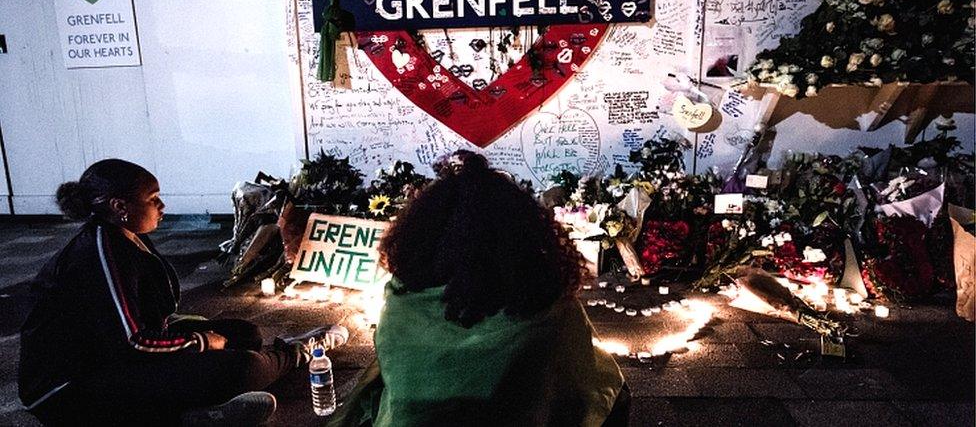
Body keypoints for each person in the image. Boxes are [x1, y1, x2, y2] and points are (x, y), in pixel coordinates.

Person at [18, 159, 348, 426]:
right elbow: (132, 341)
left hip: (113, 356)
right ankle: (298, 352)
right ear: (120, 206)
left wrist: (198, 334)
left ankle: (199, 408)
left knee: (244, 333)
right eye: (152, 198)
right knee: (244, 368)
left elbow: (141, 318)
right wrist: (199, 342)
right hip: (73, 389)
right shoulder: (102, 251)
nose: (162, 206)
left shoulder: (123, 234)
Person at [329, 151, 628, 427]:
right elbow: (582, 389)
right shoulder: (548, 308)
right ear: (521, 234)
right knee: (612, 390)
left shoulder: (402, 302)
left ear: (424, 232)